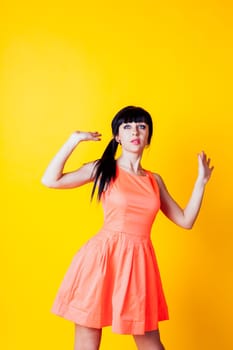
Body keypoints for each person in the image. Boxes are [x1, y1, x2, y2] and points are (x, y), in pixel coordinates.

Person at [42, 106, 213, 350]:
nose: (135, 131)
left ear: (148, 137)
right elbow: (50, 180)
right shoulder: (104, 168)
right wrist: (74, 141)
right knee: (87, 345)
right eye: (128, 126)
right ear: (118, 137)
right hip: (101, 261)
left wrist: (201, 182)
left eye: (142, 126)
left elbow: (185, 221)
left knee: (152, 345)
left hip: (139, 264)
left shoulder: (154, 180)